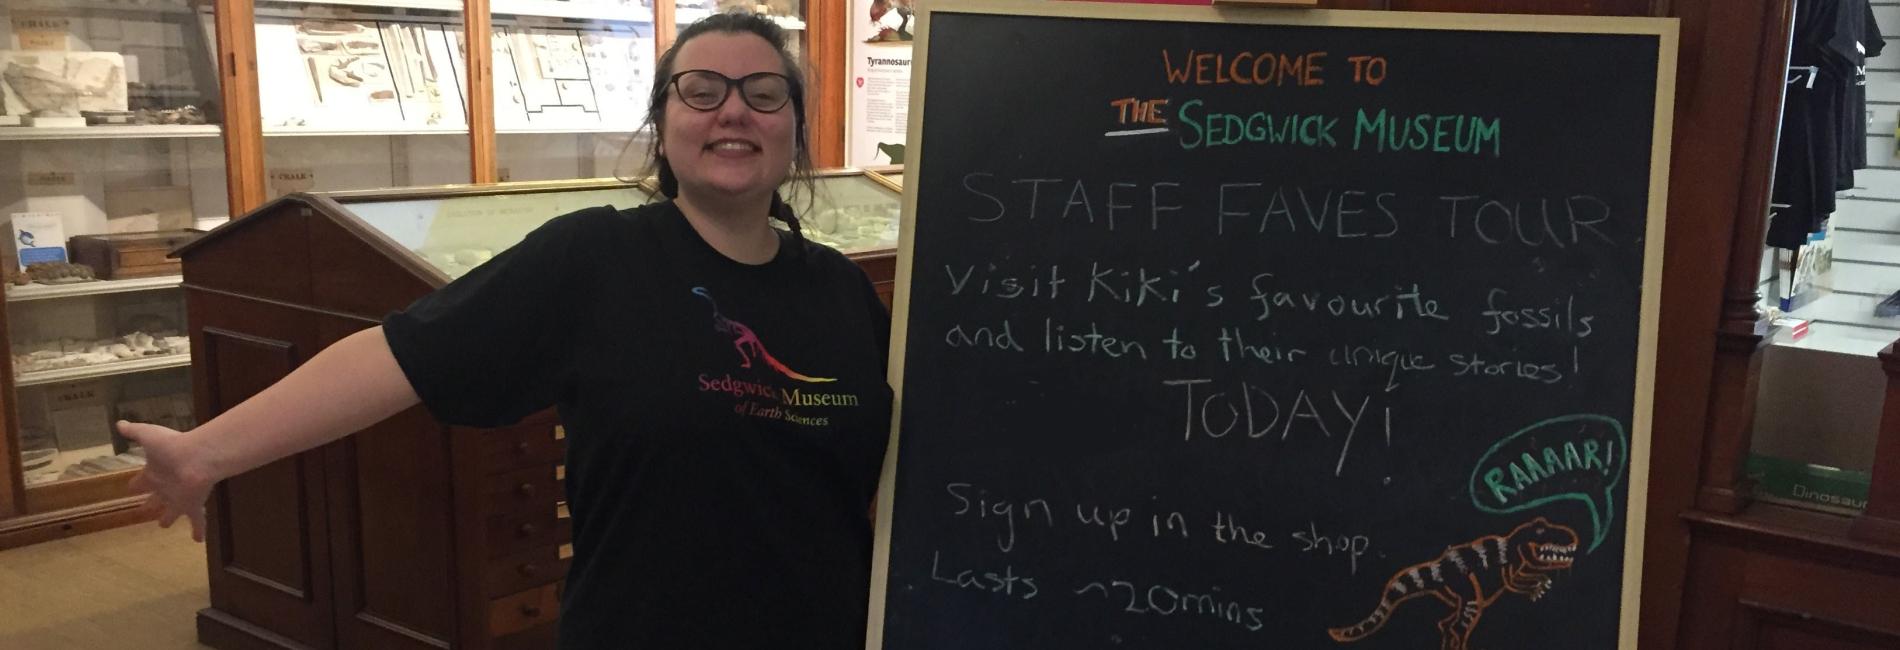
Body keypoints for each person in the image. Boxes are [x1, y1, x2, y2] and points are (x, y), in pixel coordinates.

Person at [119, 12, 893, 649]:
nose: (733, 111)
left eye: (764, 94)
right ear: (663, 125)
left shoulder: (842, 291)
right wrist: (205, 452)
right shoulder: (594, 260)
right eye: (701, 91)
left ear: (796, 128)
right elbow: (398, 356)